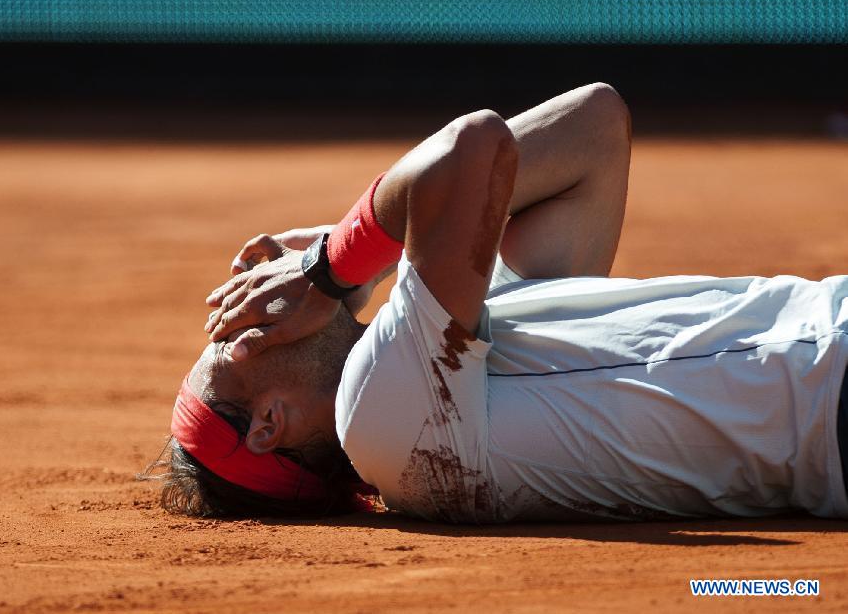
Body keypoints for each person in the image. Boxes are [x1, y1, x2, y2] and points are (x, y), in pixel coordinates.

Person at [158, 83, 848, 523]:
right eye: (230, 337)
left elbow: (596, 130)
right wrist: (329, 266)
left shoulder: (458, 357)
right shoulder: (381, 423)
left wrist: (364, 262)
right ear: (269, 424)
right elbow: (472, 146)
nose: (252, 304)